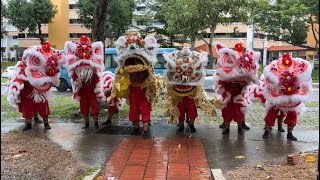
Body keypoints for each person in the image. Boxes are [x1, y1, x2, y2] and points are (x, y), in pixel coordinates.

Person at [108, 33, 163, 138]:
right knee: (134, 109)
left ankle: (145, 129)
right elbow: (121, 74)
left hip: (143, 90)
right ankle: (136, 127)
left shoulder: (146, 65)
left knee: (145, 108)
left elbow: (151, 75)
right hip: (133, 90)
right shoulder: (126, 64)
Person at [4, 42, 64, 131]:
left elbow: (51, 74)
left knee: (43, 105)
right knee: (28, 106)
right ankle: (28, 123)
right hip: (28, 91)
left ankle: (46, 123)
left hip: (41, 91)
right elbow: (20, 78)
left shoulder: (45, 66)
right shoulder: (23, 66)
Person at [162, 46, 220, 134]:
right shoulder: (174, 56)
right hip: (178, 89)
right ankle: (181, 125)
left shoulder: (195, 57)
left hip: (192, 90)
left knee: (191, 108)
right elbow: (170, 72)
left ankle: (192, 124)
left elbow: (199, 72)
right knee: (180, 108)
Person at [259, 54, 312, 140]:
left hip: (292, 98)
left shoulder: (297, 69)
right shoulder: (275, 68)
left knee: (292, 115)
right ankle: (267, 131)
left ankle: (289, 133)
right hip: (278, 98)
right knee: (271, 114)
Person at [213, 41, 260, 135]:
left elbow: (249, 80)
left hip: (239, 92)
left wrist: (245, 84)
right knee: (227, 110)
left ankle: (239, 128)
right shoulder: (228, 58)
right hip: (228, 92)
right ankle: (227, 128)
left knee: (239, 110)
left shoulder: (245, 58)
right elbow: (220, 78)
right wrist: (222, 86)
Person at [64, 35, 106, 129]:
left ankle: (96, 124)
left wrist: (98, 90)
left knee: (94, 108)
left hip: (91, 92)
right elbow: (74, 80)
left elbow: (97, 80)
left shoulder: (94, 70)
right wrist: (77, 83)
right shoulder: (77, 71)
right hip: (83, 92)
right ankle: (87, 124)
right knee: (84, 109)